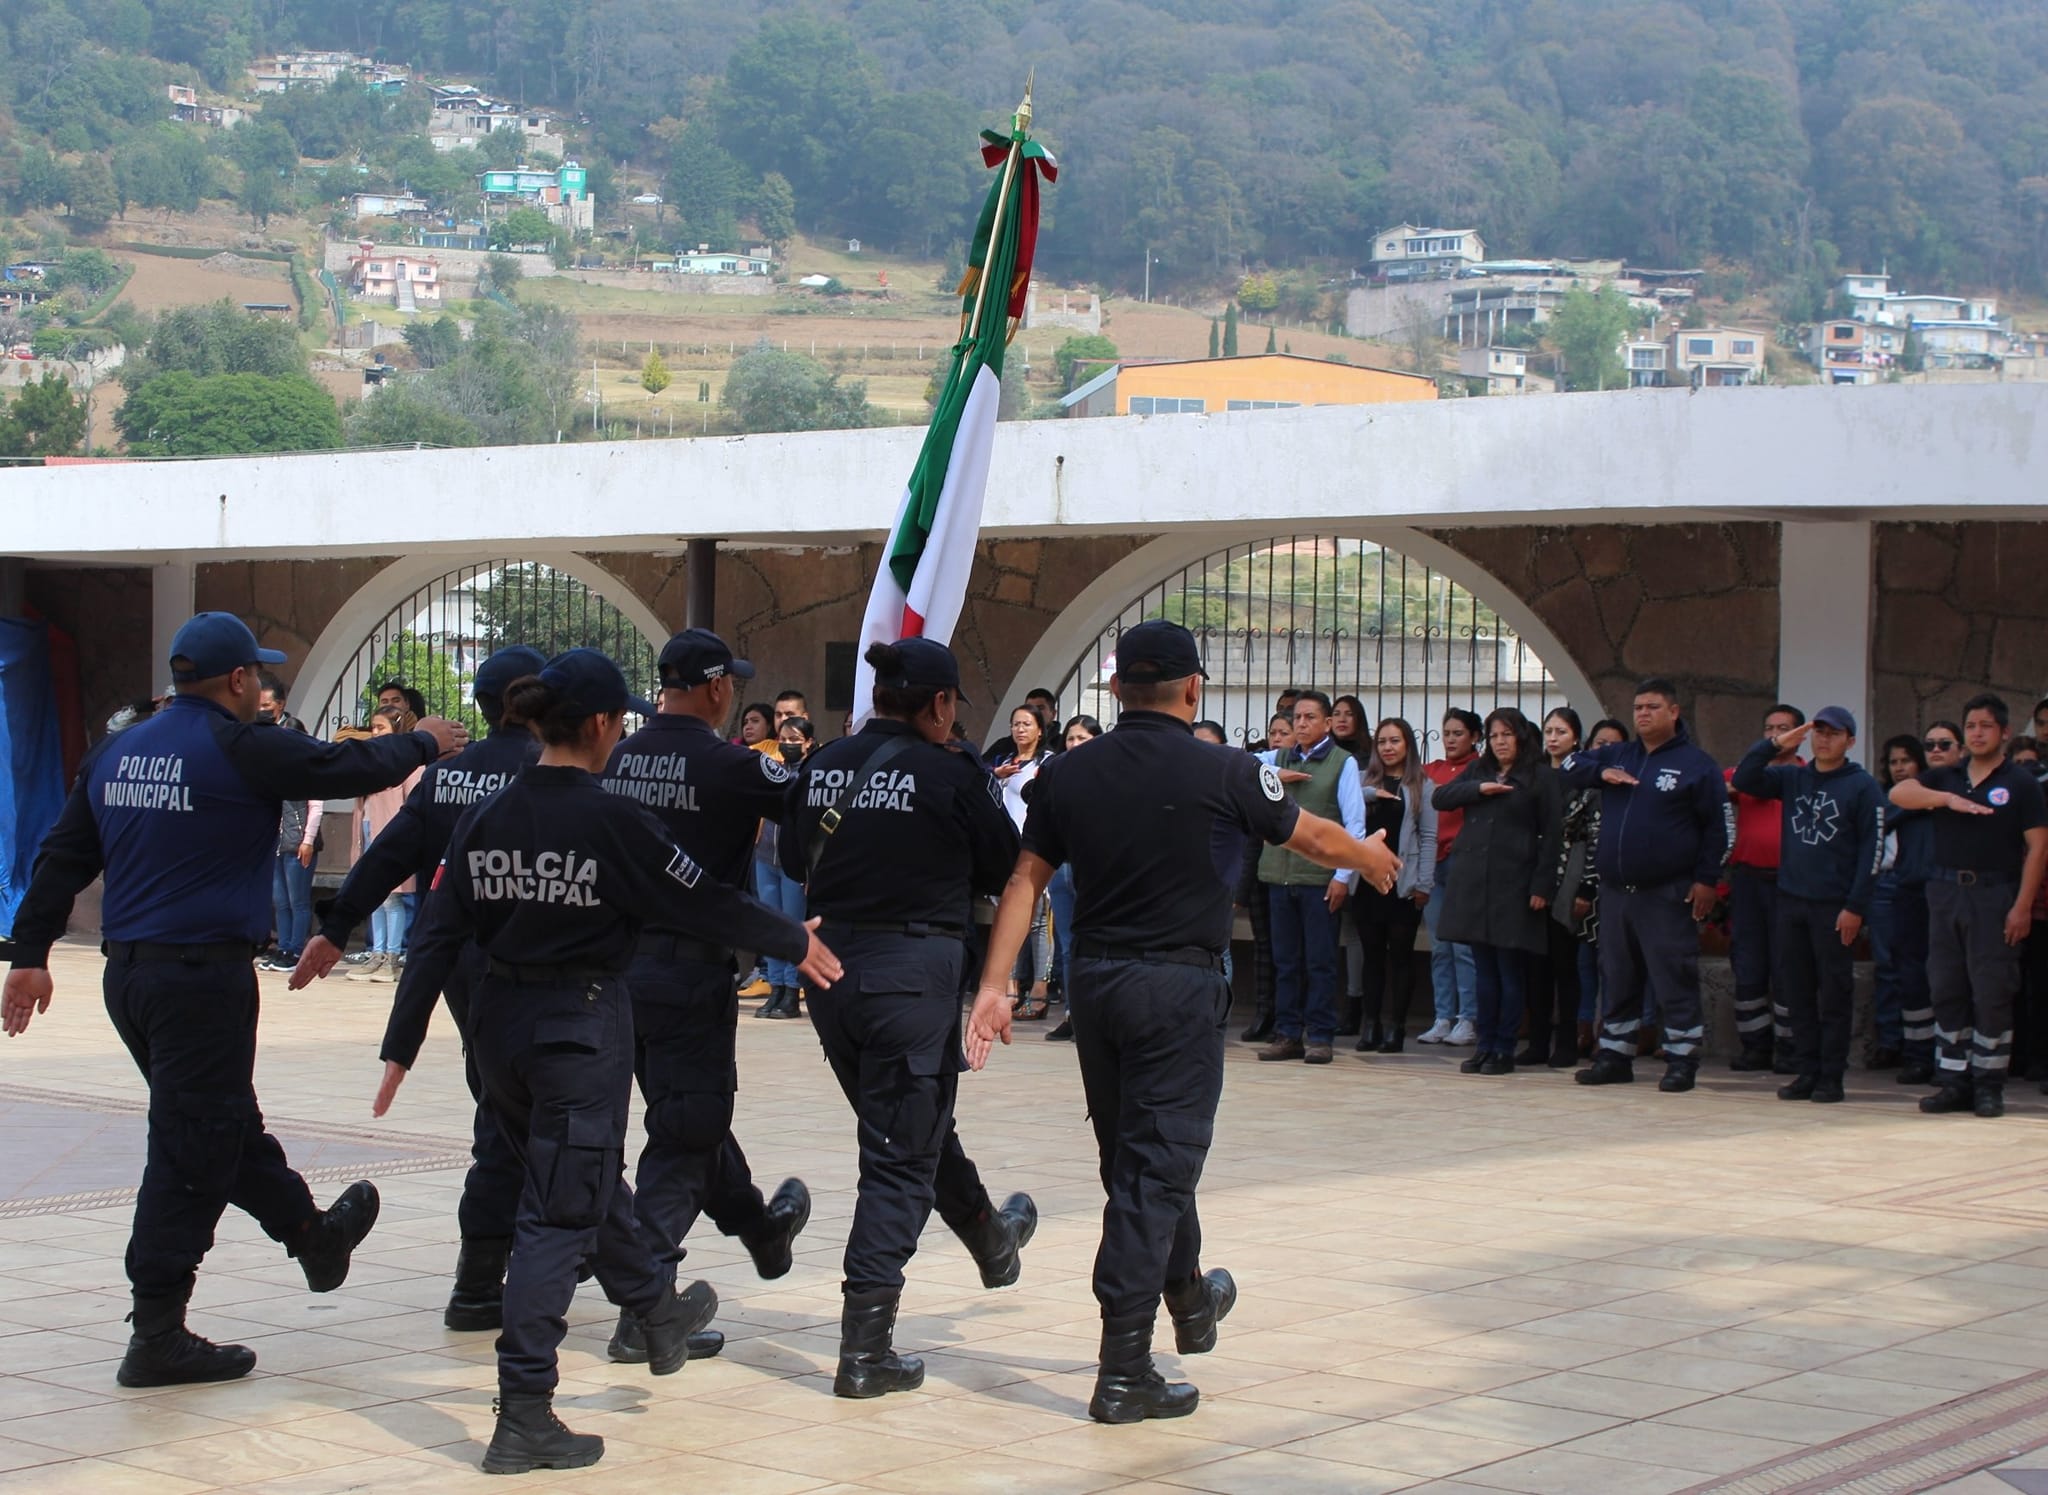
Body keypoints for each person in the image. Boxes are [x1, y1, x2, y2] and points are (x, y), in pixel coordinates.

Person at [375, 648, 833, 1473]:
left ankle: (657, 1311)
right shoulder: (612, 819)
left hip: (499, 1030)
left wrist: (400, 1046)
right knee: (557, 1213)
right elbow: (700, 895)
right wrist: (792, 936)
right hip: (577, 1028)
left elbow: (438, 930)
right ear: (598, 726)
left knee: (586, 1188)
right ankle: (523, 1414)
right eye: (619, 718)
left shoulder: (491, 813)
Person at [3, 612, 467, 1387]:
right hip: (200, 982)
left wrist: (30, 952)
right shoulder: (241, 745)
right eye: (258, 673)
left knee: (217, 1122)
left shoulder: (119, 748)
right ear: (241, 680)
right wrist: (427, 741)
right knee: (191, 1144)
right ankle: (156, 1328)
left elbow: (62, 852)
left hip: (132, 978)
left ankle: (314, 1237)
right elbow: (342, 767)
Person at [964, 619, 1399, 1425]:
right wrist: (1369, 859)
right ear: (1193, 688)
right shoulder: (1230, 769)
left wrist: (994, 984)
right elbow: (1309, 836)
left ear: (1119, 689)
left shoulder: (1066, 773)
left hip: (1098, 986)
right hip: (1178, 985)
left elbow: (1025, 880)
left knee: (1138, 1159)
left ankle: (1192, 1301)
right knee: (1154, 1170)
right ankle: (1124, 1369)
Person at [781, 638, 1040, 1400]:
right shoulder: (954, 772)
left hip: (832, 975)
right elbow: (1006, 866)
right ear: (938, 704)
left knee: (912, 1127)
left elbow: (797, 857)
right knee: (898, 1154)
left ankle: (992, 1238)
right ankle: (865, 1350)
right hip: (910, 976)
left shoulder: (824, 761)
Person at [292, 645, 546, 1333]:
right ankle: (483, 1279)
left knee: (507, 1105)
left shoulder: (445, 778)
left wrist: (335, 926)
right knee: (523, 1119)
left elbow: (386, 858)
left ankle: (534, 1256)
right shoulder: (546, 773)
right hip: (532, 967)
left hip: (457, 963)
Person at [595, 629, 821, 1365]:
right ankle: (648, 1304)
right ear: (719, 688)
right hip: (689, 971)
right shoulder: (730, 764)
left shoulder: (621, 755)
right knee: (688, 1130)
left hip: (622, 970)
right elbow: (813, 807)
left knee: (690, 1114)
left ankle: (761, 1228)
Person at [1560, 679, 1727, 1093]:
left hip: (1667, 892)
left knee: (1673, 976)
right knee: (1617, 976)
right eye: (1637, 708)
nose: (1643, 715)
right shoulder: (1620, 754)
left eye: (1652, 707)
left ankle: (1681, 1060)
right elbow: (1567, 767)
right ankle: (1615, 1056)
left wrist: (1707, 880)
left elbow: (1716, 830)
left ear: (1674, 712)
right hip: (1617, 893)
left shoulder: (1696, 764)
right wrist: (1602, 771)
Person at [1889, 693, 2048, 1118]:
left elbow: (2038, 848)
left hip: (1995, 895)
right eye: (1972, 726)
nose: (1978, 733)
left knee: (1993, 990)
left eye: (1986, 726)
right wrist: (1946, 800)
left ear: (2005, 733)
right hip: (1944, 893)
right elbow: (1901, 792)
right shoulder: (1947, 777)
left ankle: (1988, 1083)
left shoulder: (2021, 783)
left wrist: (2022, 906)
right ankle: (1953, 1080)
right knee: (1946, 988)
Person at [1732, 708, 1885, 1105]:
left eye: (1834, 734)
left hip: (1834, 907)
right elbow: (1747, 777)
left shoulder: (1862, 786)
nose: (1824, 740)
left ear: (1850, 741)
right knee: (1795, 991)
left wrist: (1855, 906)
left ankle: (1831, 1076)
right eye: (1818, 733)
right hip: (1791, 902)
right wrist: (1776, 744)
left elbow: (1874, 848)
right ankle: (1806, 1070)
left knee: (1833, 993)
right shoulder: (1793, 776)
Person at [1432, 708, 1564, 1075]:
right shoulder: (1479, 770)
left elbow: (1552, 835)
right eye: (1494, 736)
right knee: (1483, 970)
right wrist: (1479, 789)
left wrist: (1542, 885)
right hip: (1474, 880)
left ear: (1521, 737)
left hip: (1514, 883)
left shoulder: (1540, 776)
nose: (1500, 742)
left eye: (1507, 735)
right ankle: (1484, 1044)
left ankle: (1504, 1046)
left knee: (1509, 970)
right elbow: (1441, 797)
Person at [1256, 691, 1366, 1065]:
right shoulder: (1278, 757)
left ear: (1327, 723)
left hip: (1319, 878)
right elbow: (1238, 765)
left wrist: (1343, 875)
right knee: (1284, 960)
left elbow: (1354, 824)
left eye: (1309, 718)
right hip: (1279, 874)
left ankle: (1320, 1034)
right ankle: (1288, 1033)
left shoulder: (1342, 763)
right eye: (1296, 718)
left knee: (1319, 961)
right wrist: (1274, 773)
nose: (1301, 724)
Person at [1725, 705, 1805, 1073]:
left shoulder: (1808, 775)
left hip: (1790, 884)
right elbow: (1724, 783)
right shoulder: (1748, 776)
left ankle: (1791, 1047)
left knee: (1789, 966)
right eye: (1770, 729)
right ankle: (1755, 1046)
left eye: (1784, 728)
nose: (1776, 735)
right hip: (1748, 882)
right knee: (1748, 964)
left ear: (1799, 734)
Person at [1353, 716, 1435, 1053]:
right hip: (1368, 881)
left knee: (1400, 956)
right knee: (1371, 956)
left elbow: (1429, 837)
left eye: (1395, 741)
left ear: (1408, 746)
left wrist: (1424, 884)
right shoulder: (1363, 780)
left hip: (1403, 883)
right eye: (1382, 741)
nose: (1388, 748)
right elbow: (1346, 810)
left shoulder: (1421, 786)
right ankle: (1370, 1025)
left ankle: (1396, 1028)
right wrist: (1372, 792)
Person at [1523, 707, 1593, 1069]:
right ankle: (1536, 1042)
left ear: (1576, 737)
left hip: (1567, 881)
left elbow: (1589, 838)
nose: (1553, 738)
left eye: (1561, 731)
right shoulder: (1534, 776)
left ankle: (1566, 1042)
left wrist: (1585, 889)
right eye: (1548, 731)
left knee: (1565, 967)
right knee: (1535, 968)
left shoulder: (1584, 779)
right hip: (1531, 879)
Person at [1417, 708, 1482, 1046]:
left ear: (1474, 736)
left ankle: (1468, 1017)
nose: (1452, 739)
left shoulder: (1479, 770)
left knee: (1463, 947)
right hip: (1433, 865)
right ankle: (1443, 1015)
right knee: (1440, 945)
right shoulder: (1432, 771)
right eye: (1447, 733)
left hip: (1462, 863)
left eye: (1459, 733)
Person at [346, 704, 424, 983]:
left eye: (381, 728)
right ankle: (376, 953)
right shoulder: (372, 759)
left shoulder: (409, 762)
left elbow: (413, 803)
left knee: (392, 899)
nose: (375, 733)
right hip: (368, 828)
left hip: (390, 832)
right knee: (373, 896)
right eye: (374, 728)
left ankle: (392, 955)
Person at [1235, 707, 1297, 1044]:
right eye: (1273, 733)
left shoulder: (1300, 773)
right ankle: (1264, 1011)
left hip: (1290, 869)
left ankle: (1287, 1016)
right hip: (1258, 867)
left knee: (1287, 949)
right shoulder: (1260, 768)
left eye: (1283, 733)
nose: (1277, 738)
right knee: (1264, 945)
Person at [751, 712, 817, 1020]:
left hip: (794, 863)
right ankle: (774, 986)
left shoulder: (812, 775)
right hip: (766, 858)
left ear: (809, 743)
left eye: (795, 740)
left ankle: (792, 991)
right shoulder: (772, 771)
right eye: (784, 739)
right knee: (769, 924)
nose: (788, 745)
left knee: (791, 925)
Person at [1046, 714, 1107, 1041]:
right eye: (1071, 738)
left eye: (1082, 738)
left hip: (1092, 867)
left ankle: (1096, 1013)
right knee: (1068, 946)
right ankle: (1073, 1013)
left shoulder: (1110, 774)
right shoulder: (1057, 773)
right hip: (1061, 867)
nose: (1074, 744)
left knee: (1093, 943)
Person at [256, 675, 322, 974]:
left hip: (298, 841)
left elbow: (316, 803)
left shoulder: (303, 762)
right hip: (277, 840)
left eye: (267, 705)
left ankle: (296, 949)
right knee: (280, 900)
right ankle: (283, 947)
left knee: (298, 900)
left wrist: (308, 839)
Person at [995, 703, 1057, 1018]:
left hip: (1032, 852)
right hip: (1004, 852)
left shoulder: (1046, 764)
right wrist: (995, 776)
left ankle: (1039, 990)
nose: (1020, 729)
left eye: (1027, 724)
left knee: (1036, 924)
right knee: (1006, 918)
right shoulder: (1002, 763)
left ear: (1040, 730)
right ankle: (1010, 985)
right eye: (1016, 724)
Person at [1875, 734, 1932, 1079]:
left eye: (1905, 761)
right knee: (1887, 965)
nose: (1899, 768)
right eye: (1894, 762)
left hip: (1918, 883)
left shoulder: (1932, 798)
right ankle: (1889, 1040)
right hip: (1883, 884)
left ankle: (1922, 1048)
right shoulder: (1884, 800)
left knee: (1921, 967)